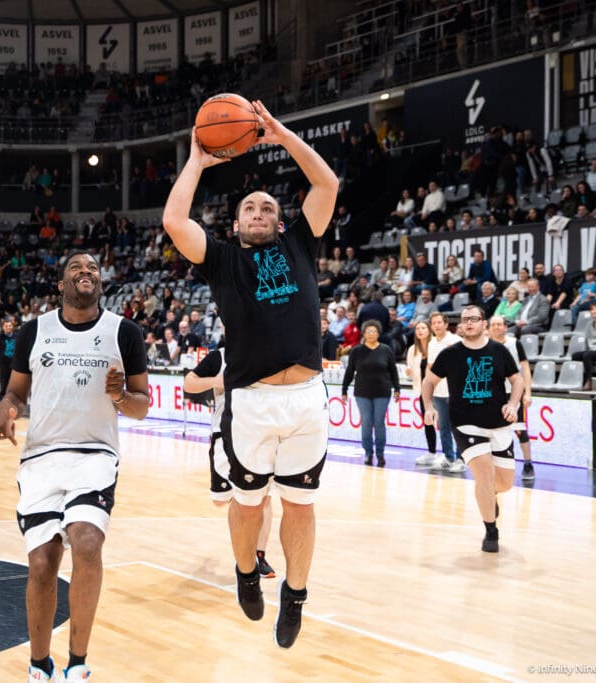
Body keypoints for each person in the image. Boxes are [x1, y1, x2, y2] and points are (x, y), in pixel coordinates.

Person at [162, 99, 339, 648]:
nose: (259, 212)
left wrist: (282, 135)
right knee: (248, 503)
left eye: (267, 207)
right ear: (235, 223)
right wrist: (196, 159)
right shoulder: (220, 260)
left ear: (279, 220)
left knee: (301, 506)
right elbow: (174, 220)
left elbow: (326, 183)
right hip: (252, 402)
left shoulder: (300, 244)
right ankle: (245, 574)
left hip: (307, 397)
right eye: (249, 209)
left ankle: (296, 595)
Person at [0, 251, 149, 682]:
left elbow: (141, 406)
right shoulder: (33, 331)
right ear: (61, 284)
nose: (87, 272)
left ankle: (78, 662)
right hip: (41, 457)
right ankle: (39, 664)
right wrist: (5, 409)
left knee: (86, 541)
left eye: (94, 269)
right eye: (76, 269)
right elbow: (15, 393)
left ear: (100, 283)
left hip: (95, 455)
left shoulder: (125, 332)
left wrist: (120, 397)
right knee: (43, 562)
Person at [422, 305, 524, 553]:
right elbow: (429, 381)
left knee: (505, 483)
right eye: (465, 320)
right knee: (485, 475)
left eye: (474, 319)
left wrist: (513, 403)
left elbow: (517, 379)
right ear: (459, 327)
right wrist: (428, 407)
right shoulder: (450, 354)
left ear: (483, 324)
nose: (468, 323)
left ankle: (490, 496)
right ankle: (491, 530)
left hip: (498, 423)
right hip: (465, 423)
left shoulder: (499, 351)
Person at [183, 344, 276, 577]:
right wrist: (215, 382)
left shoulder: (266, 353)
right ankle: (245, 548)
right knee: (222, 500)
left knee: (264, 497)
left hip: (259, 434)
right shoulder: (219, 356)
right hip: (224, 433)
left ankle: (258, 556)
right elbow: (189, 383)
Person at [341, 320, 400, 466]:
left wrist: (397, 388)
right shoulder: (356, 351)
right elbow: (349, 371)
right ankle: (368, 452)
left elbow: (393, 370)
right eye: (368, 331)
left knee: (379, 423)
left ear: (378, 333)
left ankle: (380, 453)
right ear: (364, 333)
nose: (371, 333)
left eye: (374, 331)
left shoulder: (386, 350)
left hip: (382, 392)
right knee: (366, 423)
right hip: (362, 392)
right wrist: (344, 389)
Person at [488, 315, 536, 481]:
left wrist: (528, 392)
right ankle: (500, 464)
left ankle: (528, 463)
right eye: (492, 324)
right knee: (495, 430)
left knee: (520, 429)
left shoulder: (514, 343)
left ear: (505, 327)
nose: (495, 327)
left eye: (498, 324)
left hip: (514, 392)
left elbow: (526, 369)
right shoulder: (484, 345)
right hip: (493, 394)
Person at [427, 312, 465, 472]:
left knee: (457, 426)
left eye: (439, 322)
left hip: (454, 391)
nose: (436, 325)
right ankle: (448, 457)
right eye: (434, 323)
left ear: (446, 324)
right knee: (443, 427)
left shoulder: (455, 340)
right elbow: (430, 366)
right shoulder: (431, 343)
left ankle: (461, 459)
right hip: (438, 391)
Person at [406, 320, 438, 466]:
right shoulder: (412, 349)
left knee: (444, 425)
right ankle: (431, 453)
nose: (420, 331)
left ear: (429, 330)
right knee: (428, 423)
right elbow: (411, 372)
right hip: (423, 392)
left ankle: (452, 456)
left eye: (423, 328)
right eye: (418, 328)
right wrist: (409, 372)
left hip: (440, 391)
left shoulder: (436, 346)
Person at [0, 316, 18, 398]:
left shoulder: (17, 336)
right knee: (3, 385)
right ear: (3, 327)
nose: (8, 327)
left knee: (14, 385)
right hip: (3, 365)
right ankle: (2, 402)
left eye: (10, 326)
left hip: (14, 365)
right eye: (6, 326)